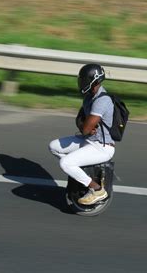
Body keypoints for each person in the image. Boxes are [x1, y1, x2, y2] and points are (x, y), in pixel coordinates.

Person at [49, 64, 115, 205]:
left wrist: (85, 126)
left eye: (83, 80)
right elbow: (80, 122)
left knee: (65, 163)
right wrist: (84, 126)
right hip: (88, 140)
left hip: (102, 147)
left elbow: (85, 128)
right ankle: (81, 175)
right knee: (53, 146)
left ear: (94, 80)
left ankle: (97, 189)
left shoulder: (102, 101)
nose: (81, 82)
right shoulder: (89, 97)